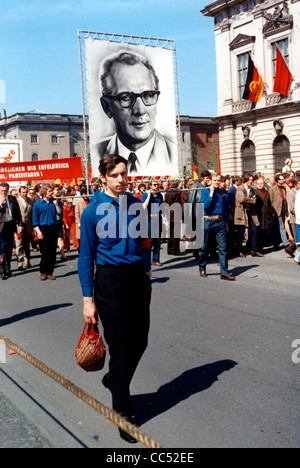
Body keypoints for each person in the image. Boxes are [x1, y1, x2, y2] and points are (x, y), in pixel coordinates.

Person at [78, 154, 152, 444]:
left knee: (140, 341)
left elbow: (145, 241)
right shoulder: (92, 212)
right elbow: (86, 258)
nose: (122, 179)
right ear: (104, 178)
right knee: (120, 348)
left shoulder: (135, 204)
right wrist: (88, 300)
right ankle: (123, 413)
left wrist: (146, 270)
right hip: (108, 281)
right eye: (116, 175)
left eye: (125, 173)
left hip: (137, 279)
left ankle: (113, 380)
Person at [97, 51, 177, 175]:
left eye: (148, 95)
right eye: (126, 97)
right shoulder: (98, 152)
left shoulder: (173, 152)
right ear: (107, 107)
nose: (140, 110)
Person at [199, 173, 235, 280]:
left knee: (223, 248)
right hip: (208, 221)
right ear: (210, 181)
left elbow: (224, 209)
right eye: (214, 180)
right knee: (205, 246)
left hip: (220, 222)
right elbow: (205, 206)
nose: (216, 182)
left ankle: (224, 272)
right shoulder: (205, 191)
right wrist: (211, 193)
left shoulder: (222, 192)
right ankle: (202, 267)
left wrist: (226, 224)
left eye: (218, 180)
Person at [32, 183, 61, 281]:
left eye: (51, 190)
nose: (51, 192)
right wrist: (38, 232)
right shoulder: (38, 204)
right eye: (49, 191)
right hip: (43, 229)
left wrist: (57, 204)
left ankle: (49, 272)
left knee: (53, 253)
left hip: (53, 228)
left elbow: (59, 213)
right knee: (45, 253)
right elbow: (35, 220)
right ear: (44, 192)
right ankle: (42, 271)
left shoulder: (54, 203)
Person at [234, 174, 262, 257]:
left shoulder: (252, 190)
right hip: (241, 212)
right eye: (249, 180)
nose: (251, 182)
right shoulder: (240, 188)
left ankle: (254, 250)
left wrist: (248, 201)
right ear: (245, 180)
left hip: (251, 212)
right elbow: (241, 199)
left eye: (252, 180)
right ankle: (239, 251)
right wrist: (250, 200)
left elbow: (255, 201)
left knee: (255, 229)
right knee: (241, 232)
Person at [0, 182, 23, 280]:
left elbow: (18, 213)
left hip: (10, 225)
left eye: (5, 191)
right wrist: (0, 203)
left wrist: (20, 224)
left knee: (9, 249)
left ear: (8, 190)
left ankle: (8, 269)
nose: (3, 193)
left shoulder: (12, 199)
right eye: (1, 191)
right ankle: (2, 271)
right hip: (1, 227)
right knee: (1, 250)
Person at [142, 180, 164, 266]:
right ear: (150, 186)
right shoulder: (146, 195)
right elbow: (144, 206)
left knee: (158, 240)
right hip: (150, 218)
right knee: (151, 240)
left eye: (157, 185)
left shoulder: (160, 195)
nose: (156, 186)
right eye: (154, 185)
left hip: (158, 218)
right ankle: (144, 258)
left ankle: (155, 259)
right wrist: (148, 195)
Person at [16, 186, 34, 270]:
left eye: (26, 192)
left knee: (27, 244)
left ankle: (27, 262)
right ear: (19, 192)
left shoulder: (30, 201)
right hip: (18, 226)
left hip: (28, 226)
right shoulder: (16, 201)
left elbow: (32, 214)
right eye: (23, 192)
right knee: (19, 245)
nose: (25, 194)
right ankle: (20, 263)